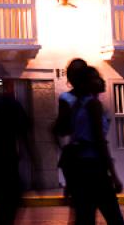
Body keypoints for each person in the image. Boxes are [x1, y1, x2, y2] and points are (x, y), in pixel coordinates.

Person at [68, 66, 124, 225]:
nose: (100, 80)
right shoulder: (93, 105)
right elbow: (100, 141)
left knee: (86, 218)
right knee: (114, 218)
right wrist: (114, 175)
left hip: (81, 167)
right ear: (86, 83)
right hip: (94, 168)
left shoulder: (77, 105)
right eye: (94, 78)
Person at [0, 64, 32, 225]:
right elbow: (25, 135)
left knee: (2, 213)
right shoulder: (10, 104)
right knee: (7, 212)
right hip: (7, 167)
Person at [53, 58, 89, 197]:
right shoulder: (90, 99)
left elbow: (61, 129)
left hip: (77, 155)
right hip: (85, 156)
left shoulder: (67, 98)